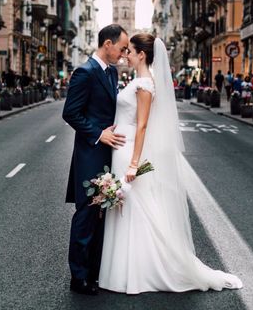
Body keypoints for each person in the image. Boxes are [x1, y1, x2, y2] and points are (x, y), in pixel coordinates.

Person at [99, 34, 242, 294]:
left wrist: (134, 163)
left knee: (135, 208)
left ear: (142, 54)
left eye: (130, 51)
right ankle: (124, 270)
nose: (126, 54)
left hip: (129, 150)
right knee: (128, 208)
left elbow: (142, 125)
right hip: (121, 146)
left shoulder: (144, 84)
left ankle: (141, 271)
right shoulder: (138, 81)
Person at [62, 24, 129, 296]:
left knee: (101, 214)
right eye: (122, 48)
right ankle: (78, 278)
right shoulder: (85, 72)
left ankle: (93, 272)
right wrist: (98, 134)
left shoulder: (111, 72)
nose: (124, 54)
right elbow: (71, 113)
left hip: (107, 156)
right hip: (90, 154)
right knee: (86, 214)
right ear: (107, 44)